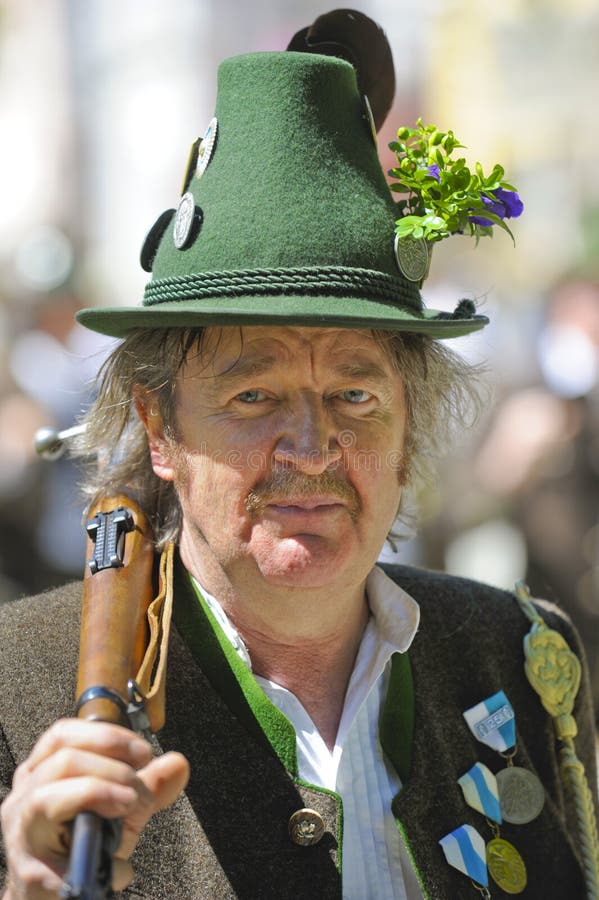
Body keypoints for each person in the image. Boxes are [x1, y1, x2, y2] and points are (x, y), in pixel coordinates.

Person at [0, 11, 597, 900]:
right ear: (158, 430)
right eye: (254, 397)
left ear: (410, 427)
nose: (313, 449)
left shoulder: (511, 651)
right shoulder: (19, 688)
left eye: (355, 397)